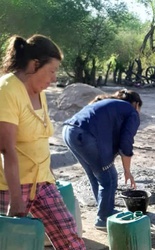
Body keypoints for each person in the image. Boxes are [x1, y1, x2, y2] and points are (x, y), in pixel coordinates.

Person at [0, 34, 86, 249]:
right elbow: (6, 149)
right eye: (52, 70)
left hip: (43, 182)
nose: (55, 78)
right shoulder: (6, 90)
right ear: (35, 64)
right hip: (10, 186)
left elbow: (39, 141)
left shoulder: (40, 93)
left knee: (69, 237)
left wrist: (51, 178)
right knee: (8, 243)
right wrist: (16, 199)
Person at [62, 89, 142, 229]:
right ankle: (104, 218)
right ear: (136, 104)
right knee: (109, 178)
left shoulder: (111, 106)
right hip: (84, 134)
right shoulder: (131, 111)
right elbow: (126, 142)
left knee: (96, 175)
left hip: (68, 132)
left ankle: (105, 211)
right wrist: (127, 171)